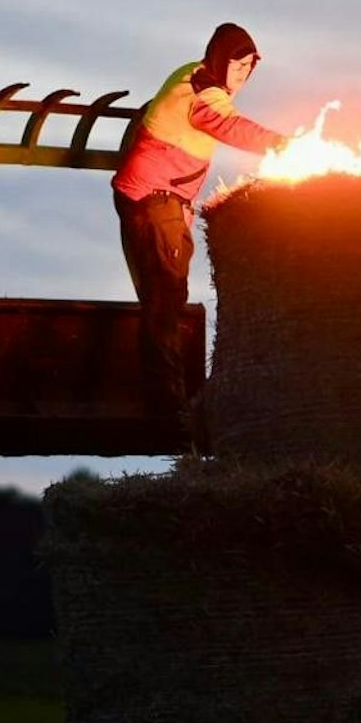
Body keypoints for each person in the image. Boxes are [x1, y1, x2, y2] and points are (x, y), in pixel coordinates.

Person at [112, 22, 288, 423]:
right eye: (238, 65)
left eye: (250, 69)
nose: (243, 76)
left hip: (151, 198)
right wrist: (284, 145)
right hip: (156, 203)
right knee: (166, 302)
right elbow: (230, 126)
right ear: (220, 60)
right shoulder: (202, 94)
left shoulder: (190, 72)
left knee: (162, 299)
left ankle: (166, 399)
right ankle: (168, 409)